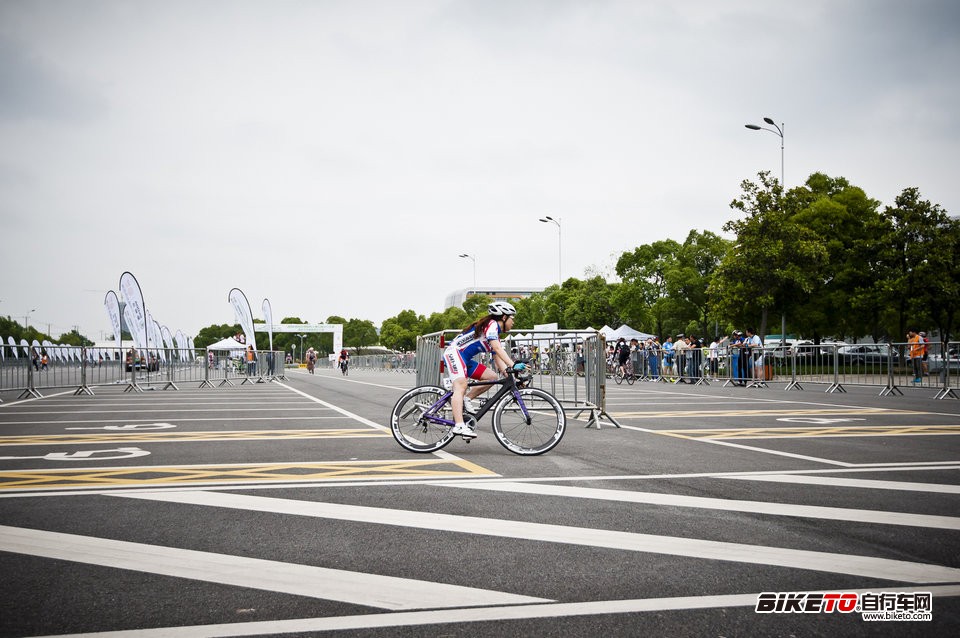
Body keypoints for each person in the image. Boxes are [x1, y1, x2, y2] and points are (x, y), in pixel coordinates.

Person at [442, 301, 526, 438]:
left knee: (492, 377)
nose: (513, 322)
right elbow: (498, 349)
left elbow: (498, 359)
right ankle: (459, 425)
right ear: (504, 317)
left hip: (464, 358)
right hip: (454, 354)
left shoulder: (495, 333)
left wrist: (512, 376)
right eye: (512, 318)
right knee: (461, 386)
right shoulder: (492, 325)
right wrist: (513, 364)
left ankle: (467, 399)